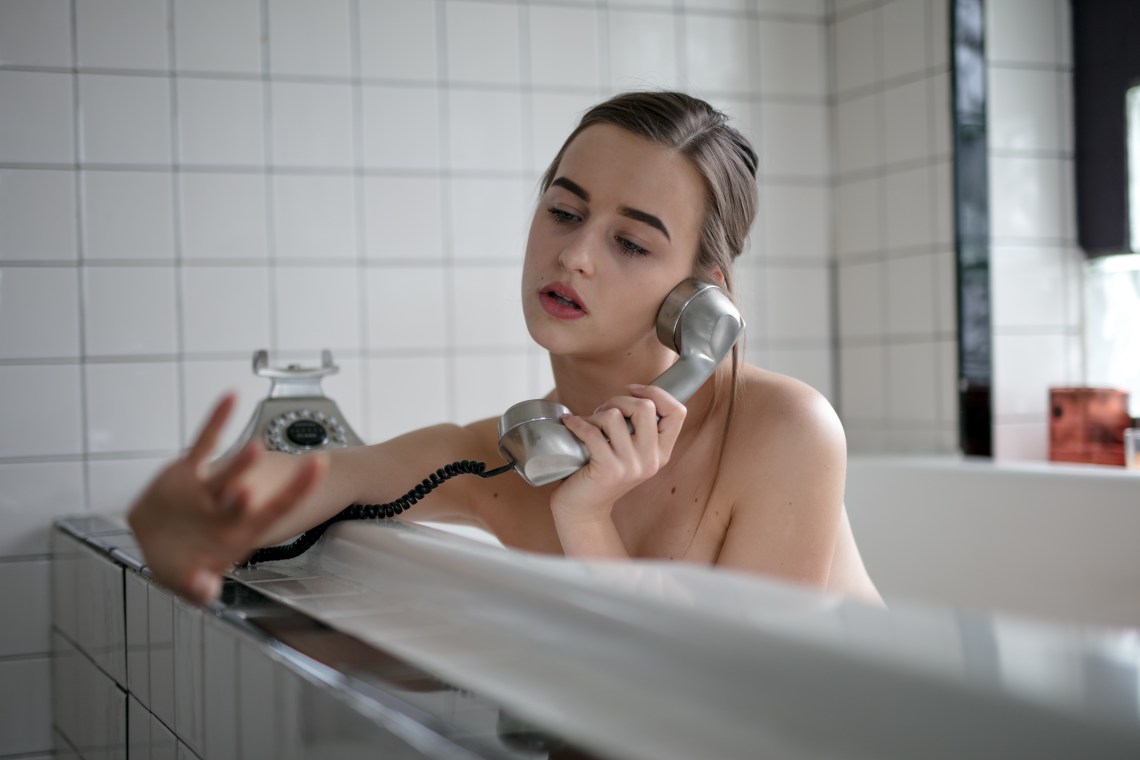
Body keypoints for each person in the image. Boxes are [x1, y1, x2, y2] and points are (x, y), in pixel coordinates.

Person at [128, 91, 883, 608]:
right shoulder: (509, 457)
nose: (576, 254)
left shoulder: (785, 430)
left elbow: (741, 710)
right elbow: (316, 477)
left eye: (629, 241)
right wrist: (178, 516)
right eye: (563, 210)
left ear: (701, 298)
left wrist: (588, 520)